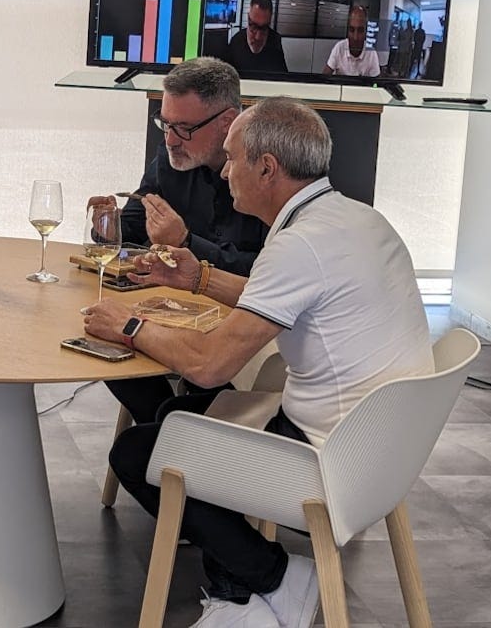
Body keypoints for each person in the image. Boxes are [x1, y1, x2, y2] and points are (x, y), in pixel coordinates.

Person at [83, 97, 434, 628]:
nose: (224, 173)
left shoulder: (299, 244)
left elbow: (209, 364)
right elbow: (289, 294)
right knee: (182, 419)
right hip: (384, 449)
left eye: (232, 159)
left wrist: (129, 327)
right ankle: (241, 587)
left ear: (266, 167)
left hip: (325, 460)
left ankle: (272, 579)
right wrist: (198, 278)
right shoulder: (356, 219)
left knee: (137, 452)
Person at [90, 57, 266, 276]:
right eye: (166, 124)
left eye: (185, 128)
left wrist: (185, 242)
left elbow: (268, 270)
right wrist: (107, 225)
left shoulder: (265, 171)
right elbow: (132, 231)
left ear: (227, 122)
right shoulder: (170, 159)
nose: (170, 140)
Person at [222, 0, 289, 75]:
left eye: (264, 28)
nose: (258, 37)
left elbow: (283, 78)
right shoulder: (235, 41)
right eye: (253, 26)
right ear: (248, 17)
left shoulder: (275, 40)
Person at [323, 5, 381, 77]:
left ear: (366, 32)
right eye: (352, 30)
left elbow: (376, 85)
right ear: (347, 31)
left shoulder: (371, 53)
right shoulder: (339, 48)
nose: (355, 37)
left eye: (360, 31)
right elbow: (324, 78)